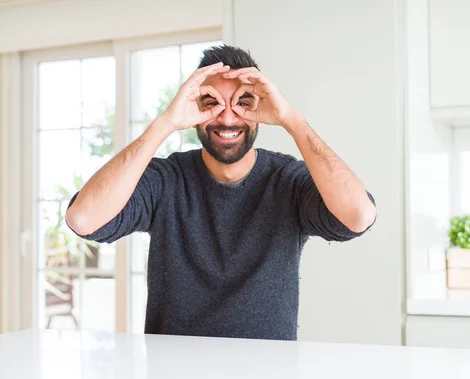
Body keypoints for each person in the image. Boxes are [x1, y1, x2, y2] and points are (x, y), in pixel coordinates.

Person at [65, 45, 376, 341]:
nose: (227, 118)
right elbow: (83, 219)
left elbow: (358, 216)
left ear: (262, 108)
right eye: (211, 103)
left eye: (243, 103)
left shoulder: (286, 180)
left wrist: (291, 120)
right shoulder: (166, 179)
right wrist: (166, 123)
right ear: (194, 108)